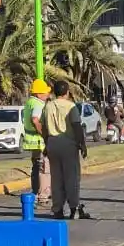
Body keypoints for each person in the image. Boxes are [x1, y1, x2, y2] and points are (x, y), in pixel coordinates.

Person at [41, 79, 91, 220]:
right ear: (67, 92)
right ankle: (74, 208)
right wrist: (82, 144)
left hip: (53, 143)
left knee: (56, 178)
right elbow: (76, 126)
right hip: (68, 144)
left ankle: (57, 209)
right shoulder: (71, 106)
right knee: (71, 178)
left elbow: (44, 128)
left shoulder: (48, 106)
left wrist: (47, 143)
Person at [22, 80, 52, 205]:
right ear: (39, 94)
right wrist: (44, 133)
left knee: (35, 168)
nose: (48, 94)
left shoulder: (29, 102)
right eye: (45, 92)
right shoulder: (39, 104)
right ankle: (43, 196)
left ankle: (35, 193)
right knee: (44, 169)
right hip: (39, 141)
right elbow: (35, 119)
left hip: (32, 141)